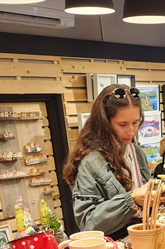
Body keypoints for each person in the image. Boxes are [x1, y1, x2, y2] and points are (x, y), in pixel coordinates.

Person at [64, 84, 155, 240]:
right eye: (123, 124)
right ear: (105, 122)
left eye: (135, 123)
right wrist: (130, 200)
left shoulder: (136, 151)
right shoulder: (90, 162)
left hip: (141, 240)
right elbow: (87, 223)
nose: (131, 132)